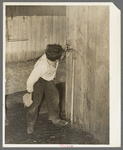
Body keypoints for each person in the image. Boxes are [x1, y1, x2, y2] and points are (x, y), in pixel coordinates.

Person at [26, 44, 68, 134]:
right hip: (38, 81)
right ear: (58, 58)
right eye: (62, 54)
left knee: (55, 98)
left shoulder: (52, 57)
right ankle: (30, 123)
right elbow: (30, 80)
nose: (64, 55)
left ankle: (54, 118)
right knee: (35, 103)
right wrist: (30, 92)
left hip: (48, 80)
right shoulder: (41, 66)